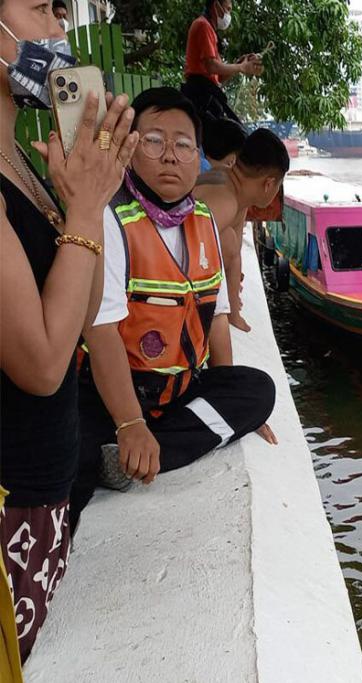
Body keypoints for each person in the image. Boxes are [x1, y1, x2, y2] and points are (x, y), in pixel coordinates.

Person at [71, 87, 278, 533]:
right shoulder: (110, 218)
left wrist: (235, 407)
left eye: (183, 145)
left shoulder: (203, 219)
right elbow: (100, 330)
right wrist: (128, 422)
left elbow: (217, 318)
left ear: (197, 156)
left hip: (179, 390)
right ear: (128, 148)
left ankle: (140, 453)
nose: (170, 156)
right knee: (72, 462)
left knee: (258, 392)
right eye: (153, 141)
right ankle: (125, 447)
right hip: (113, 395)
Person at [2, 0, 138, 661]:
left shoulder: (20, 165)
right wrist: (84, 205)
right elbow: (44, 362)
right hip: (12, 509)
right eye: (39, 10)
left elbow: (83, 311)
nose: (60, 32)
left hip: (44, 500)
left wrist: (84, 199)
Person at [194, 127, 289, 332]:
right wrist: (232, 312)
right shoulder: (226, 202)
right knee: (227, 240)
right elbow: (185, 249)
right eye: (278, 185)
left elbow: (235, 253)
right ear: (269, 184)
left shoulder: (227, 180)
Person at [181, 0, 262, 126]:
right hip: (200, 94)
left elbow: (219, 77)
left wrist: (238, 64)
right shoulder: (203, 26)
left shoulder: (209, 29)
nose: (229, 15)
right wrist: (241, 67)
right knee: (234, 133)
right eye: (228, 9)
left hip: (206, 93)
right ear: (216, 6)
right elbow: (212, 66)